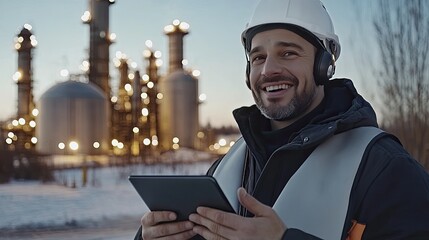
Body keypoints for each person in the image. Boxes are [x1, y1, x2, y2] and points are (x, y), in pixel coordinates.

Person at [135, 0, 429, 239]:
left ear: (324, 66)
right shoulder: (231, 161)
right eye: (258, 57)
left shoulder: (385, 167)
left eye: (288, 53)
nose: (268, 71)